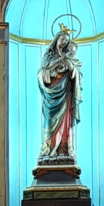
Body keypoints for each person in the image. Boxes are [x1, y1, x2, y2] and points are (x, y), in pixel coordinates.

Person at [38, 26, 82, 161]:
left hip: (65, 93)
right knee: (49, 121)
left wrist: (71, 67)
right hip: (51, 93)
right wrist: (56, 64)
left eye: (66, 41)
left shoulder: (69, 57)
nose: (64, 42)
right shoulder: (48, 56)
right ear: (57, 39)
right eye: (62, 39)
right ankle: (47, 149)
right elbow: (42, 72)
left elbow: (76, 74)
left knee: (65, 122)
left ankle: (63, 149)